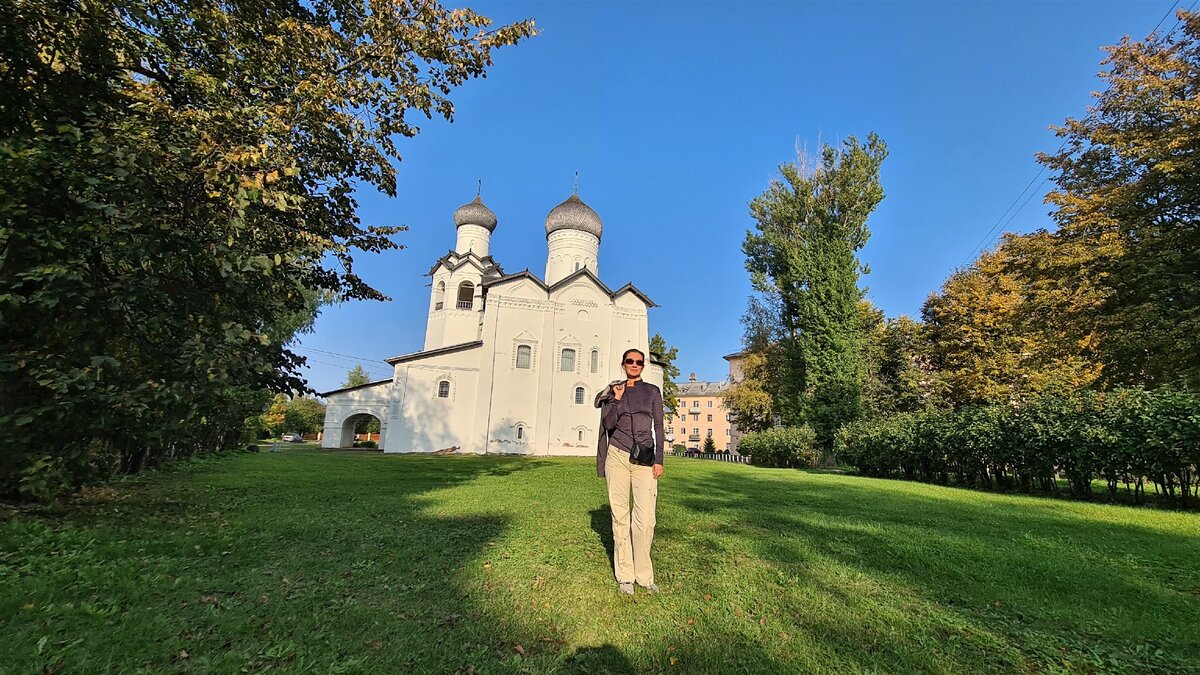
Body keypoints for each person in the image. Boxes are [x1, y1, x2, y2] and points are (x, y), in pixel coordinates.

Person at [594, 348, 664, 595]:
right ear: (623, 364)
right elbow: (608, 424)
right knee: (620, 516)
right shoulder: (615, 389)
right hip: (618, 456)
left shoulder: (652, 392)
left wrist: (659, 459)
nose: (634, 365)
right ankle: (625, 575)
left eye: (639, 362)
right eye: (630, 361)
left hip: (645, 457)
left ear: (643, 366)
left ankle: (645, 576)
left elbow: (658, 426)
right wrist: (616, 399)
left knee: (645, 520)